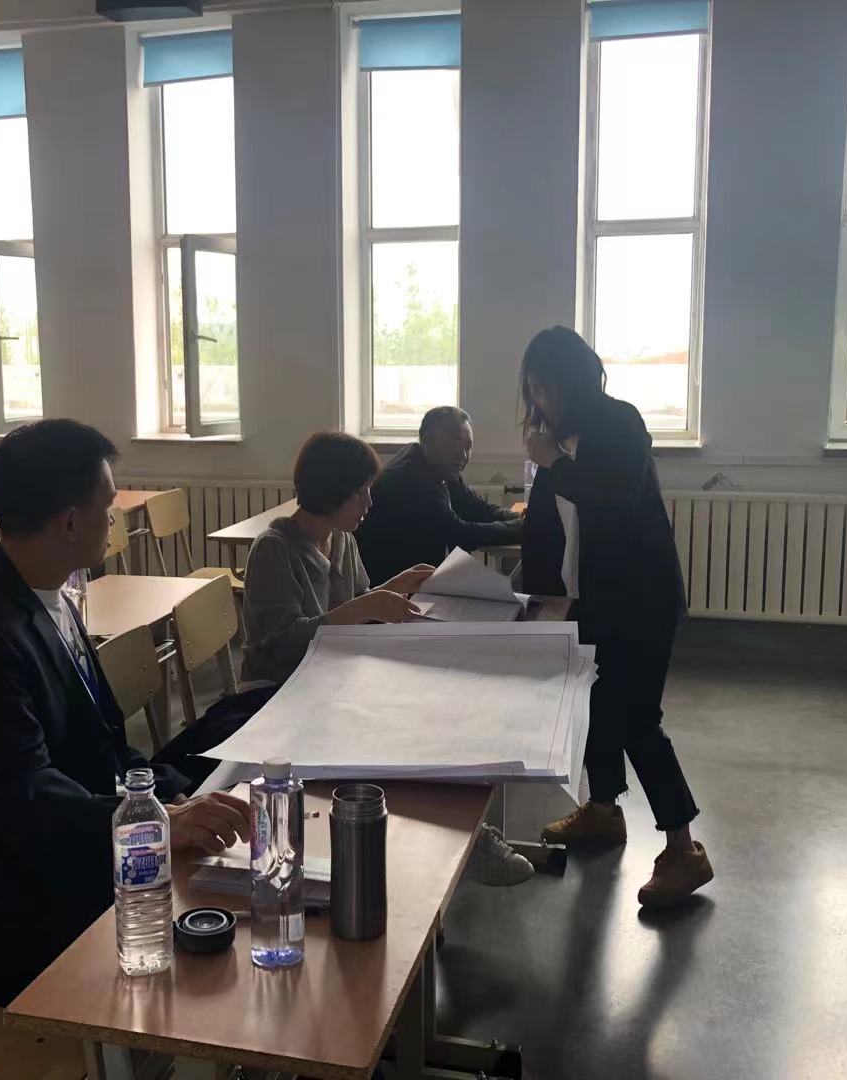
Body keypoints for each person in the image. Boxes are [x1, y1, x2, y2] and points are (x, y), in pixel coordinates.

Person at [0, 419, 251, 1006]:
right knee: (230, 949)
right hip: (20, 910)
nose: (114, 520)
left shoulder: (51, 593)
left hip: (78, 845)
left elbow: (104, 746)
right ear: (70, 521)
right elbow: (25, 799)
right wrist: (157, 826)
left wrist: (174, 798)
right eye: (108, 506)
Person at [241, 431, 536, 887]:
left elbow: (357, 604)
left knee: (437, 706)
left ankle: (463, 833)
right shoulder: (274, 549)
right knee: (402, 728)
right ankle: (462, 840)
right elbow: (281, 644)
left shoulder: (341, 540)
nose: (369, 502)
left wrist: (393, 587)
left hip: (333, 676)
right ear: (331, 490)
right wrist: (367, 606)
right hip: (280, 691)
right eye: (359, 491)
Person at [520, 327, 713, 908]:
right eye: (533, 388)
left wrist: (554, 463)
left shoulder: (619, 424)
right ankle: (603, 810)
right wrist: (532, 592)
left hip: (641, 601)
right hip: (590, 600)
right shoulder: (557, 439)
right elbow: (552, 523)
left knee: (636, 721)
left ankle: (683, 848)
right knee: (595, 706)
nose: (540, 399)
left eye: (548, 387)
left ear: (575, 381)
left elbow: (612, 500)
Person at [355, 406, 523, 586]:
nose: (463, 455)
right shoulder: (413, 478)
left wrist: (516, 517)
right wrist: (522, 527)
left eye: (468, 447)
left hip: (418, 581)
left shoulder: (438, 465)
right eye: (453, 444)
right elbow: (461, 534)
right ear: (427, 441)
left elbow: (477, 507)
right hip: (387, 588)